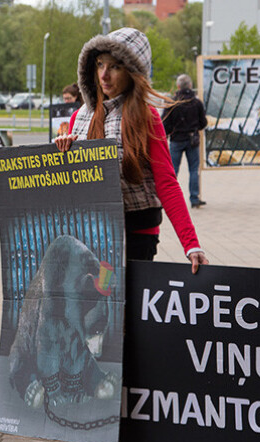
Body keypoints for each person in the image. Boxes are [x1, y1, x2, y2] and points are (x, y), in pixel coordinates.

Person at [55, 27, 208, 273]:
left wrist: (191, 245)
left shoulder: (147, 118)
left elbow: (167, 183)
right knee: (103, 305)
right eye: (100, 64)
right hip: (94, 235)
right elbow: (71, 184)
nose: (104, 75)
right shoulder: (78, 118)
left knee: (129, 309)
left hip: (138, 235)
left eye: (115, 67)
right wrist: (61, 155)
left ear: (132, 72)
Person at [161, 74, 208, 208]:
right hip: (192, 140)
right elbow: (203, 123)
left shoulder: (172, 102)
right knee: (193, 170)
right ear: (190, 86)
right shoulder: (197, 103)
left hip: (176, 140)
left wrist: (169, 134)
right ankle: (194, 199)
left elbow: (164, 123)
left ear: (178, 86)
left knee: (172, 171)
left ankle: (169, 200)